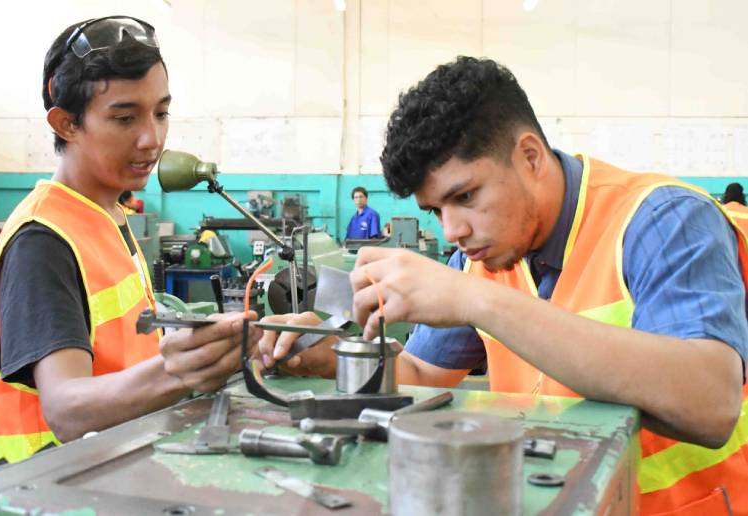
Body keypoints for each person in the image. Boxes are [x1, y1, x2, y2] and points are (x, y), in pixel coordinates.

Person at [258, 57, 748, 514]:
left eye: (465, 196)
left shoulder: (664, 221)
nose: (452, 231)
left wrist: (475, 300)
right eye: (435, 211)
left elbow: (710, 405)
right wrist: (328, 356)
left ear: (529, 157)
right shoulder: (484, 257)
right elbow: (422, 373)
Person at [0, 16, 258, 468]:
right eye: (125, 118)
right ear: (66, 123)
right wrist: (179, 370)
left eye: (161, 113)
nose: (152, 139)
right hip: (49, 485)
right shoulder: (42, 240)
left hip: (113, 470)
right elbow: (66, 410)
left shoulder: (108, 213)